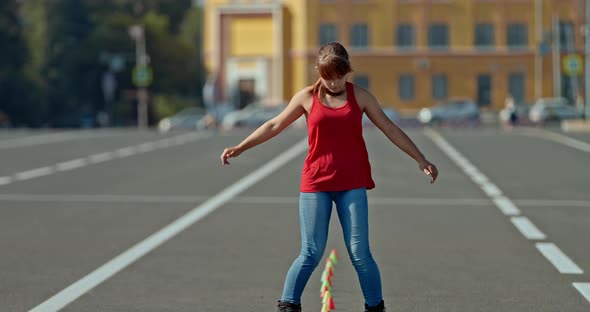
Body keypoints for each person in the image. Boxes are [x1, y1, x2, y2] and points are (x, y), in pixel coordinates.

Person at [220, 42, 438, 312]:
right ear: (318, 72)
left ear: (348, 71)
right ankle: (288, 305)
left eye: (340, 76)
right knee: (310, 252)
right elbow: (274, 125)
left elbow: (390, 129)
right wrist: (240, 147)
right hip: (316, 183)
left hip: (351, 183)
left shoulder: (361, 97)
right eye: (328, 76)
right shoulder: (306, 97)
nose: (334, 82)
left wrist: (420, 158)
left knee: (360, 253)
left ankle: (375, 307)